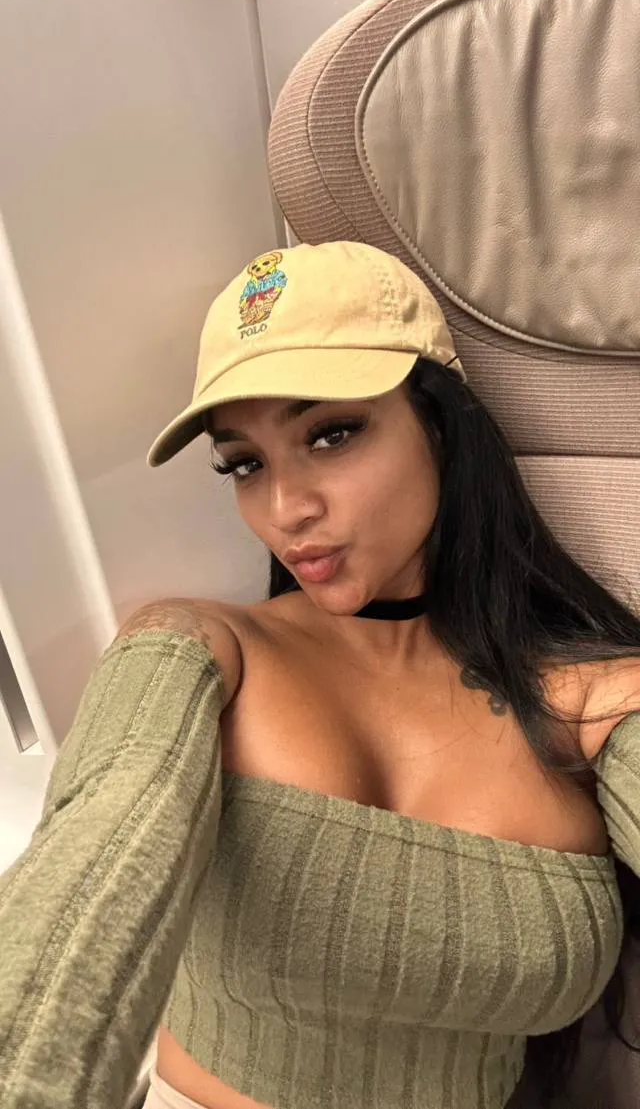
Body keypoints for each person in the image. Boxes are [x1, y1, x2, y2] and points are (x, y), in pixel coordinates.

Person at [1, 240, 640, 1109]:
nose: (284, 508)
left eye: (331, 434)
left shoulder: (589, 701)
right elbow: (83, 877)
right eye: (245, 463)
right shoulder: (198, 648)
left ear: (440, 426)